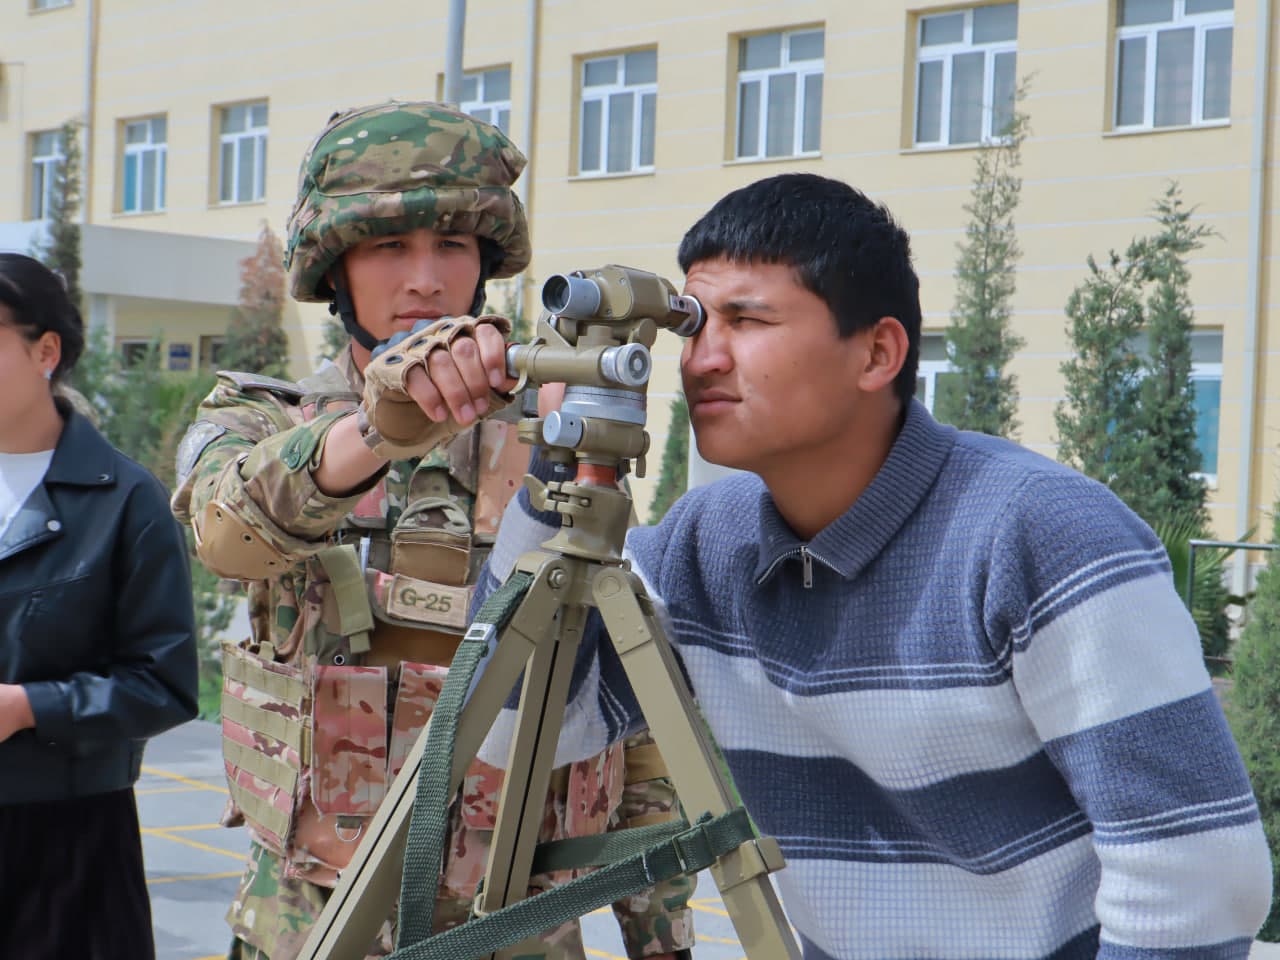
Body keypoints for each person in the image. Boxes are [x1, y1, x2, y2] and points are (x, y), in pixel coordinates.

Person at [473, 172, 1273, 958]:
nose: (701, 361)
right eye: (694, 324)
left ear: (877, 352)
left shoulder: (1041, 535)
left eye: (747, 320)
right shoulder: (703, 549)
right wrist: (557, 465)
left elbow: (1195, 876)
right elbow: (519, 728)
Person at [170, 100, 693, 960]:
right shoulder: (263, 418)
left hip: (523, 926)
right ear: (335, 271)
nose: (426, 279)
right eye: (389, 248)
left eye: (452, 247)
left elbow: (629, 706)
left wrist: (661, 933)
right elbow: (228, 533)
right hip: (312, 922)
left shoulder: (554, 421)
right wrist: (379, 429)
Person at [0, 252, 200, 960]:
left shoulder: (125, 501)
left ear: (44, 350)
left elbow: (166, 684)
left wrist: (28, 705)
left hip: (68, 850)